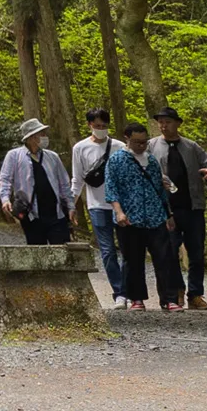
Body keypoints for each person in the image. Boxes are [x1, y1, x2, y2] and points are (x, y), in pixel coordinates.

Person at [104, 120, 184, 311]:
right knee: (133, 260)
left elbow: (160, 189)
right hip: (130, 219)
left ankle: (169, 299)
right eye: (137, 142)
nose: (142, 145)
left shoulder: (152, 161)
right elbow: (111, 189)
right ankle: (136, 298)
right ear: (127, 139)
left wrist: (168, 214)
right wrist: (119, 212)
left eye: (144, 142)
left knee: (165, 258)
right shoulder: (116, 160)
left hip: (155, 217)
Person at [154, 106, 207, 310]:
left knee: (197, 253)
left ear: (178, 123)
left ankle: (195, 294)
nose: (164, 126)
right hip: (166, 210)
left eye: (168, 122)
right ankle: (176, 292)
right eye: (161, 122)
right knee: (169, 252)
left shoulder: (191, 147)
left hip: (192, 207)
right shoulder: (151, 146)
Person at [72, 107, 129, 307]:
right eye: (97, 126)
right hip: (96, 205)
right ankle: (119, 292)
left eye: (104, 126)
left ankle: (129, 289)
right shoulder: (80, 148)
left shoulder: (120, 146)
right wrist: (72, 204)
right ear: (89, 125)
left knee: (127, 249)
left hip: (121, 206)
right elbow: (77, 179)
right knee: (107, 251)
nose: (101, 129)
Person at [0, 117, 73, 245]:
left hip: (56, 214)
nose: (45, 137)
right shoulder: (14, 156)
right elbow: (5, 179)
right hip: (31, 215)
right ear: (31, 137)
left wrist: (70, 206)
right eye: (41, 134)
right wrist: (5, 199)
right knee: (38, 253)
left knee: (63, 252)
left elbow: (64, 183)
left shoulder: (52, 157)